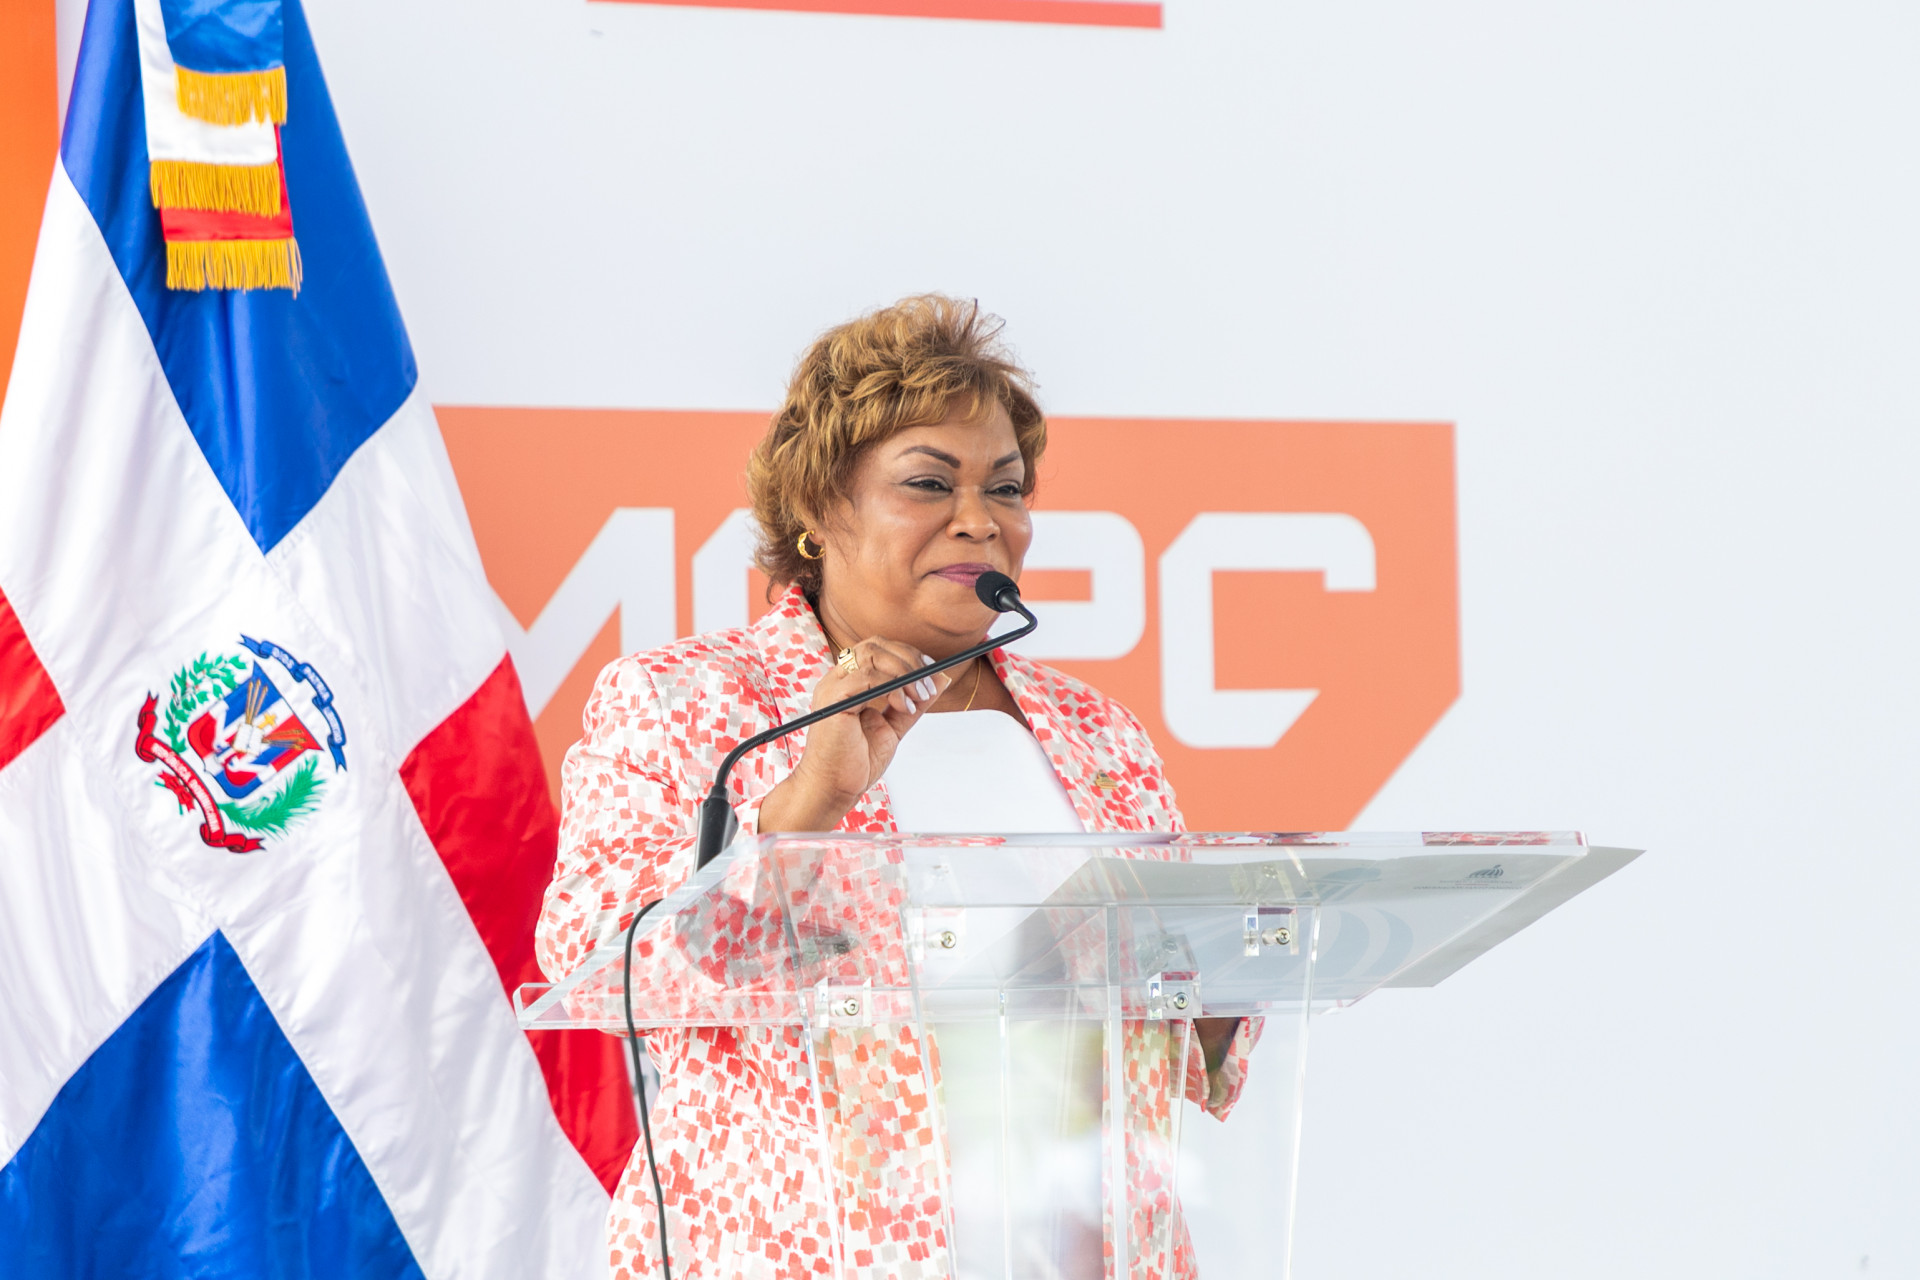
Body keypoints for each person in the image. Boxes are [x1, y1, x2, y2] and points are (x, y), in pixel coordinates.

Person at [536, 295, 1258, 1280]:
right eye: (929, 483)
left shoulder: (1097, 732)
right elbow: (598, 961)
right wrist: (804, 804)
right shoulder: (688, 700)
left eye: (1007, 489)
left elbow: (1193, 1030)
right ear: (816, 507)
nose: (981, 519)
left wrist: (1221, 974)